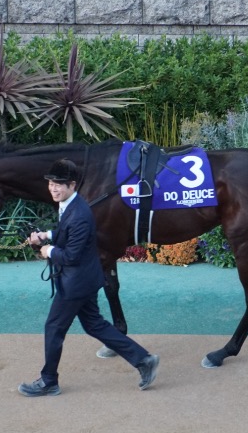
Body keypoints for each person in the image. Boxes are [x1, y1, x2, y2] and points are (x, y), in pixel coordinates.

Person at [19, 159, 159, 397]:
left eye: (59, 184)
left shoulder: (80, 213)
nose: (53, 188)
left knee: (53, 327)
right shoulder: (70, 205)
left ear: (72, 185)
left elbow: (71, 255)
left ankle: (49, 381)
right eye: (51, 183)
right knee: (94, 324)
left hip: (75, 284)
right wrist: (46, 235)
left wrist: (48, 250)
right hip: (85, 279)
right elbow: (67, 232)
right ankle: (144, 360)